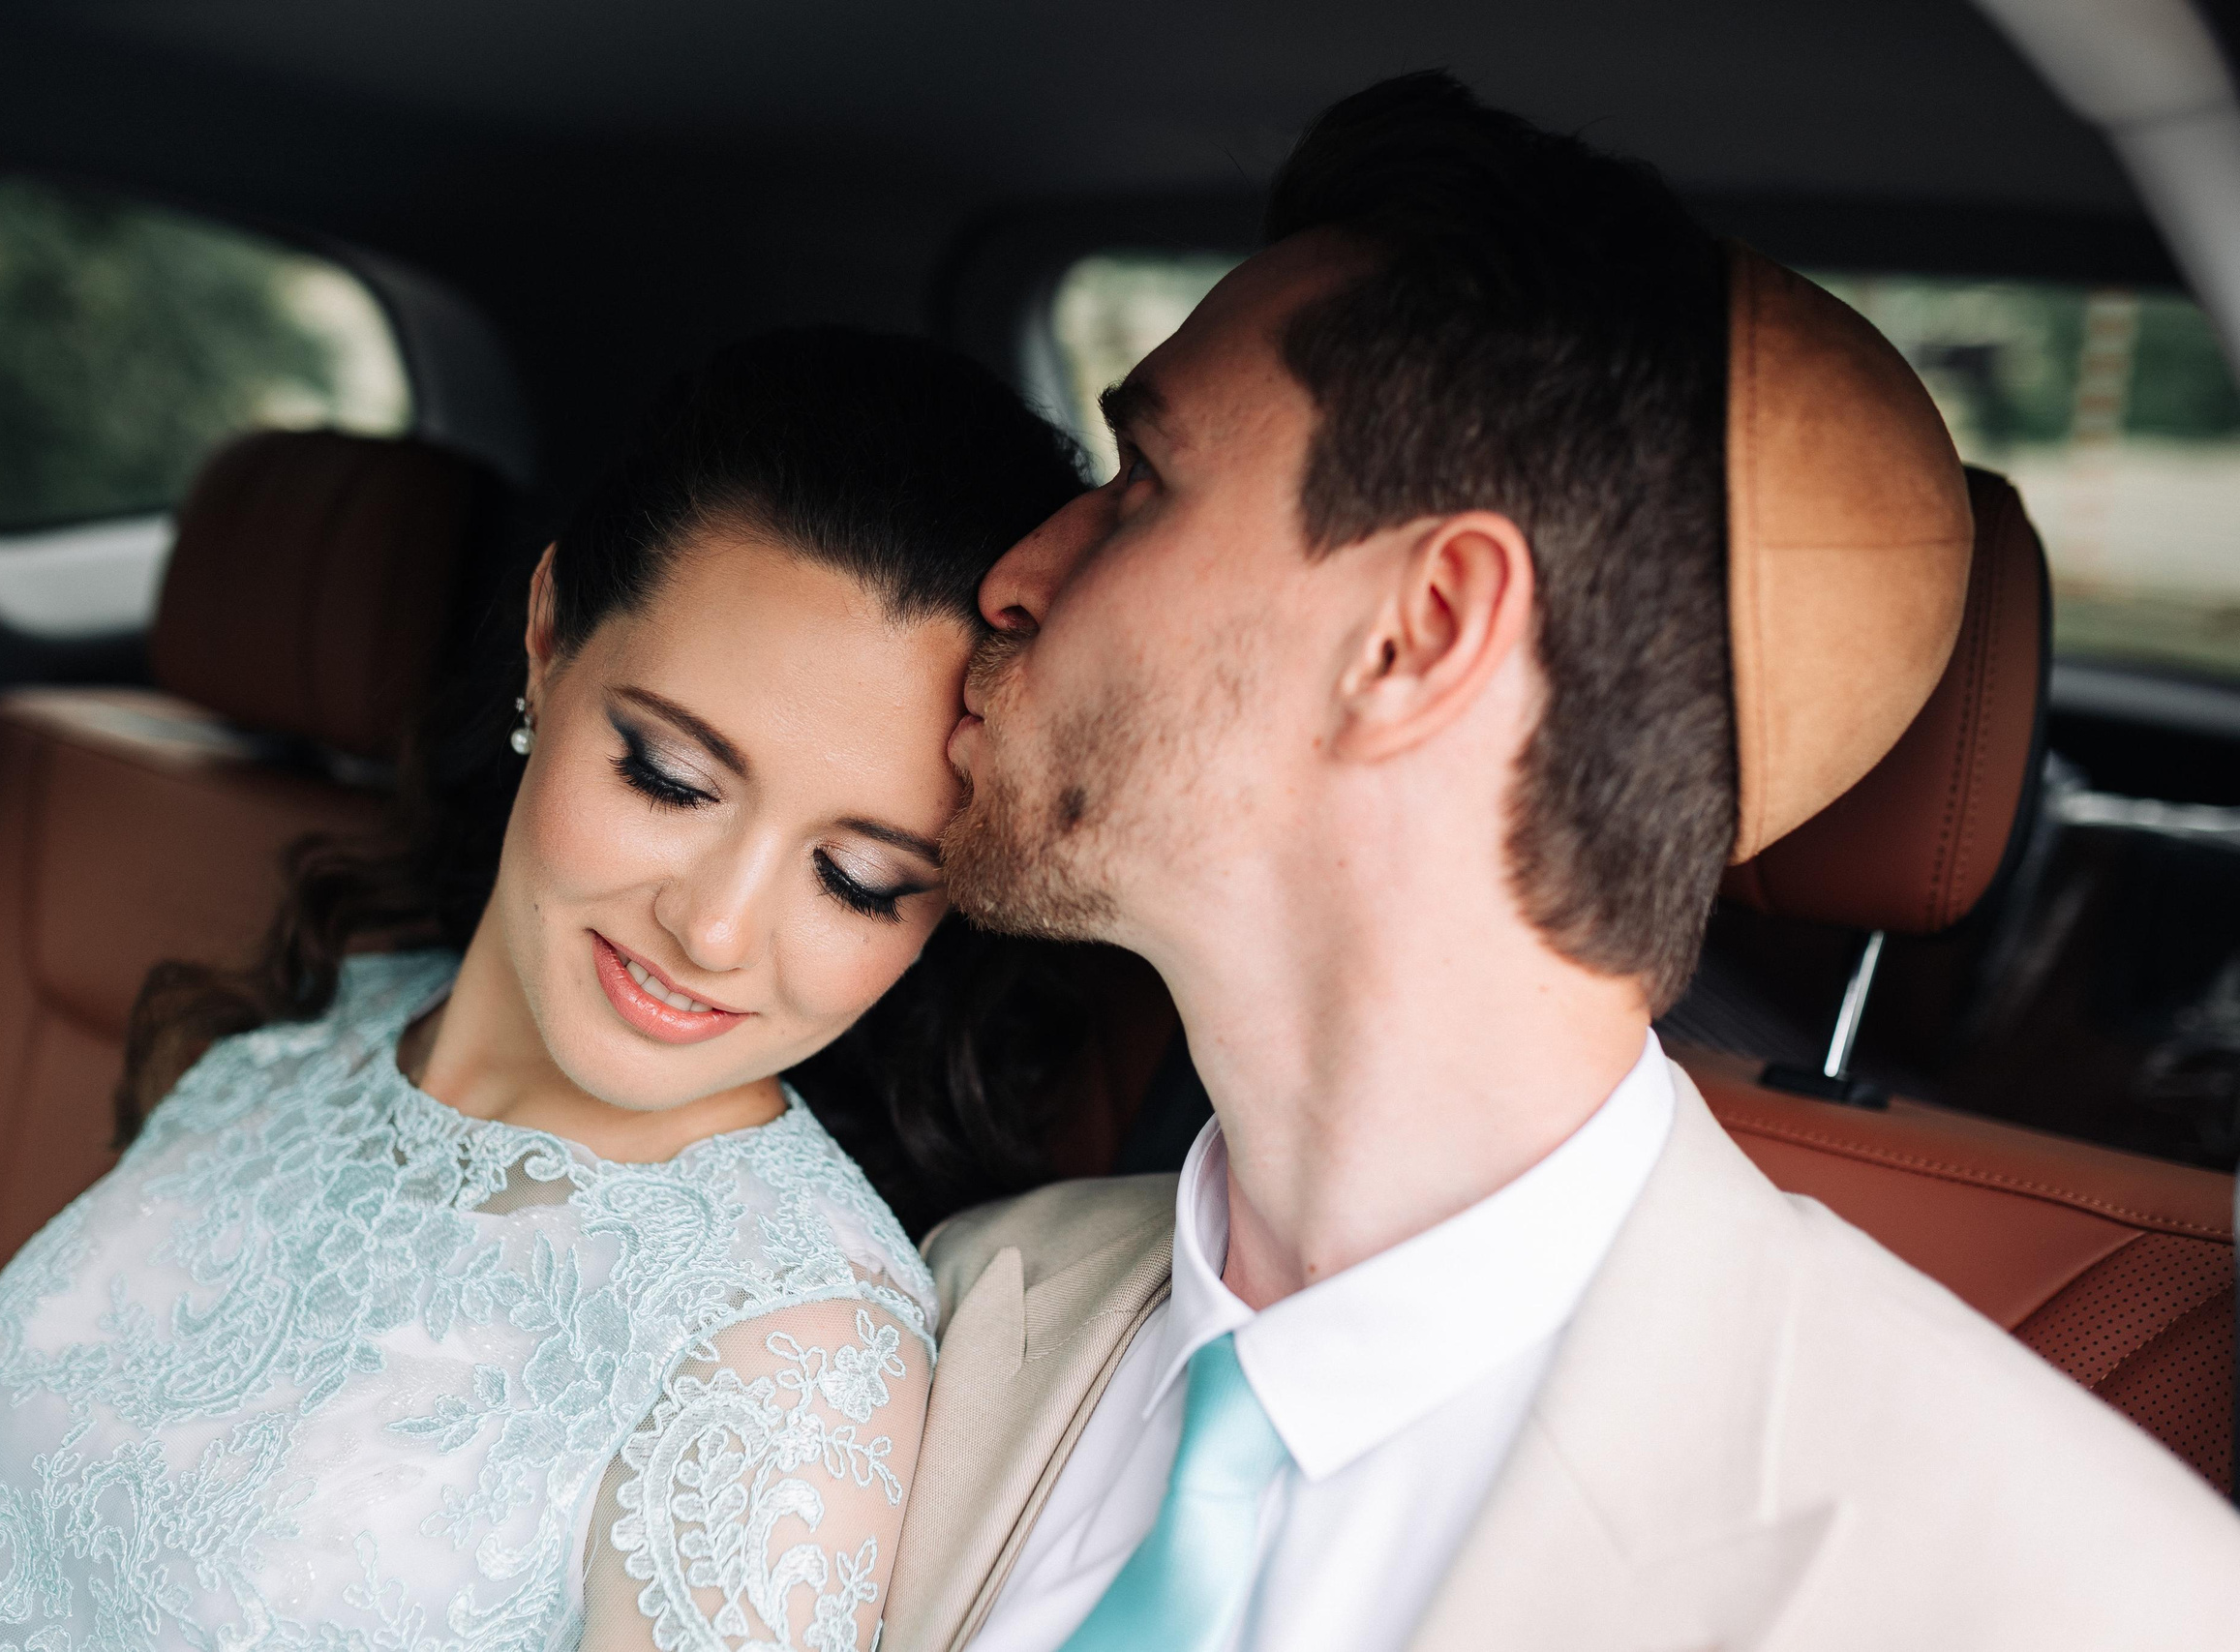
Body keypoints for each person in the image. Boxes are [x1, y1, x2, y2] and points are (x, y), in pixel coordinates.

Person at [881, 72, 2240, 1652]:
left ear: (1419, 634)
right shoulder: (952, 1309)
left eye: (1142, 487)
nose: (1015, 576)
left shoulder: (2064, 1597)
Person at [0, 329, 1099, 1652]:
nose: (715, 929)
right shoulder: (315, 1041)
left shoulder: (790, 1357)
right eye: (670, 778)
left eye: (862, 880)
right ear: (548, 638)